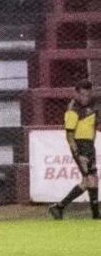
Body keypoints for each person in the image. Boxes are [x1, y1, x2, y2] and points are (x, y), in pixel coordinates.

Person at [48, 79, 98, 220]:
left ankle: (59, 208)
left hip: (89, 146)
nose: (85, 98)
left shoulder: (93, 106)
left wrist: (91, 145)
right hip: (80, 146)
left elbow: (94, 126)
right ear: (77, 94)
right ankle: (95, 215)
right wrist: (78, 154)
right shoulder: (73, 110)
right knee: (89, 180)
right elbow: (69, 135)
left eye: (88, 94)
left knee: (92, 180)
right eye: (82, 95)